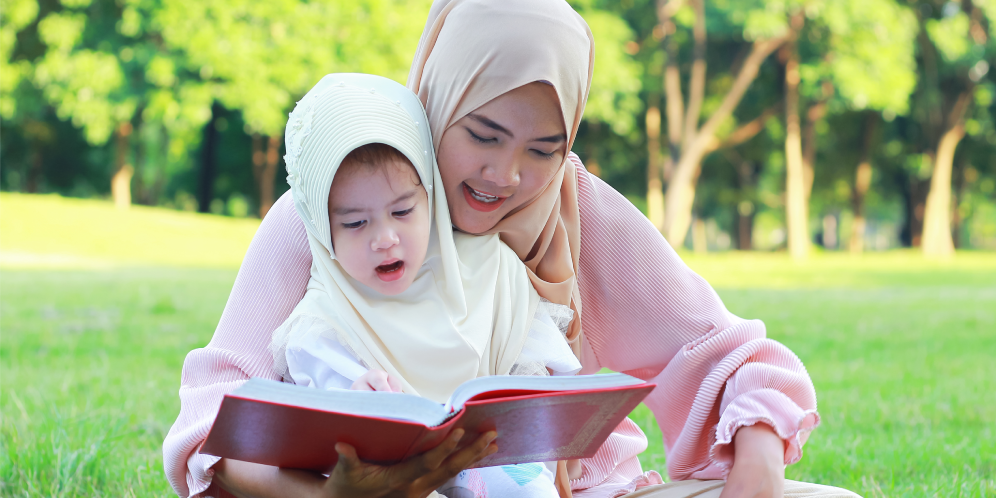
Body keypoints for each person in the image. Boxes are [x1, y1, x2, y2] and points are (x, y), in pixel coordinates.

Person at [164, 1, 860, 497]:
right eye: (485, 135)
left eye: (542, 148)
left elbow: (726, 355)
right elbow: (214, 424)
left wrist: (760, 472)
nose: (507, 176)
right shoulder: (333, 212)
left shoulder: (569, 202)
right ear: (437, 99)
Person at [267, 73, 582, 498]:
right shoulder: (325, 322)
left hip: (490, 463)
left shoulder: (489, 270)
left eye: (402, 212)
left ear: (429, 197)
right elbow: (326, 441)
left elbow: (540, 389)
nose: (384, 238)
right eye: (356, 223)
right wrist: (355, 407)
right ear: (324, 232)